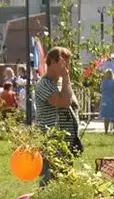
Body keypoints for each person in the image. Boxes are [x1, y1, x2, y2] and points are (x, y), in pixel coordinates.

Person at [34, 46, 82, 181]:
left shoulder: (61, 83)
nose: (67, 67)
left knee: (65, 179)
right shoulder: (44, 84)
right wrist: (66, 77)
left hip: (66, 144)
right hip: (52, 142)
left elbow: (73, 103)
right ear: (53, 62)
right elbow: (64, 102)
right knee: (52, 179)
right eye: (64, 63)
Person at [99, 69, 114, 135]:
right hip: (113, 100)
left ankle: (106, 131)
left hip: (105, 100)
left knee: (106, 117)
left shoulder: (104, 82)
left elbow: (101, 90)